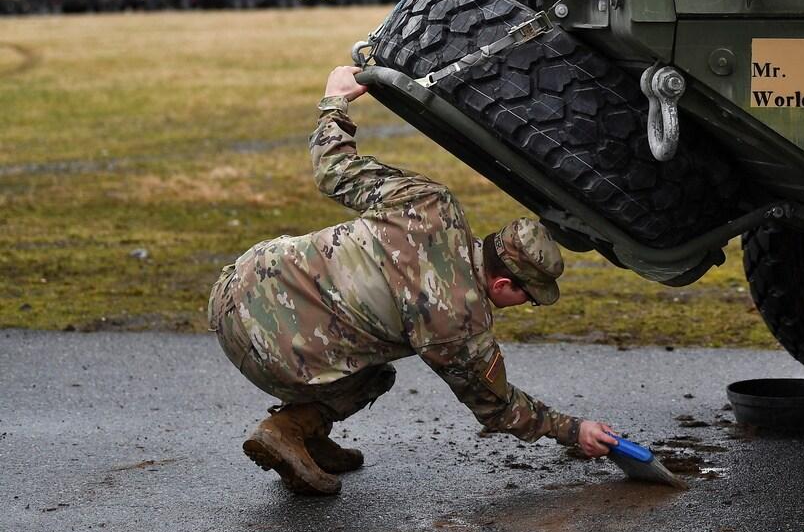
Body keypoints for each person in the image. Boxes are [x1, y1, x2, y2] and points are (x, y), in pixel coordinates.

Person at [207, 65, 618, 495]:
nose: (527, 307)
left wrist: (335, 101)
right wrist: (574, 430)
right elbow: (498, 408)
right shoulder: (460, 324)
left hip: (231, 294)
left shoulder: (432, 203)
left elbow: (333, 170)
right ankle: (287, 429)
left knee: (358, 347)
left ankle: (305, 439)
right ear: (502, 287)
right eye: (529, 298)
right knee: (375, 376)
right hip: (272, 359)